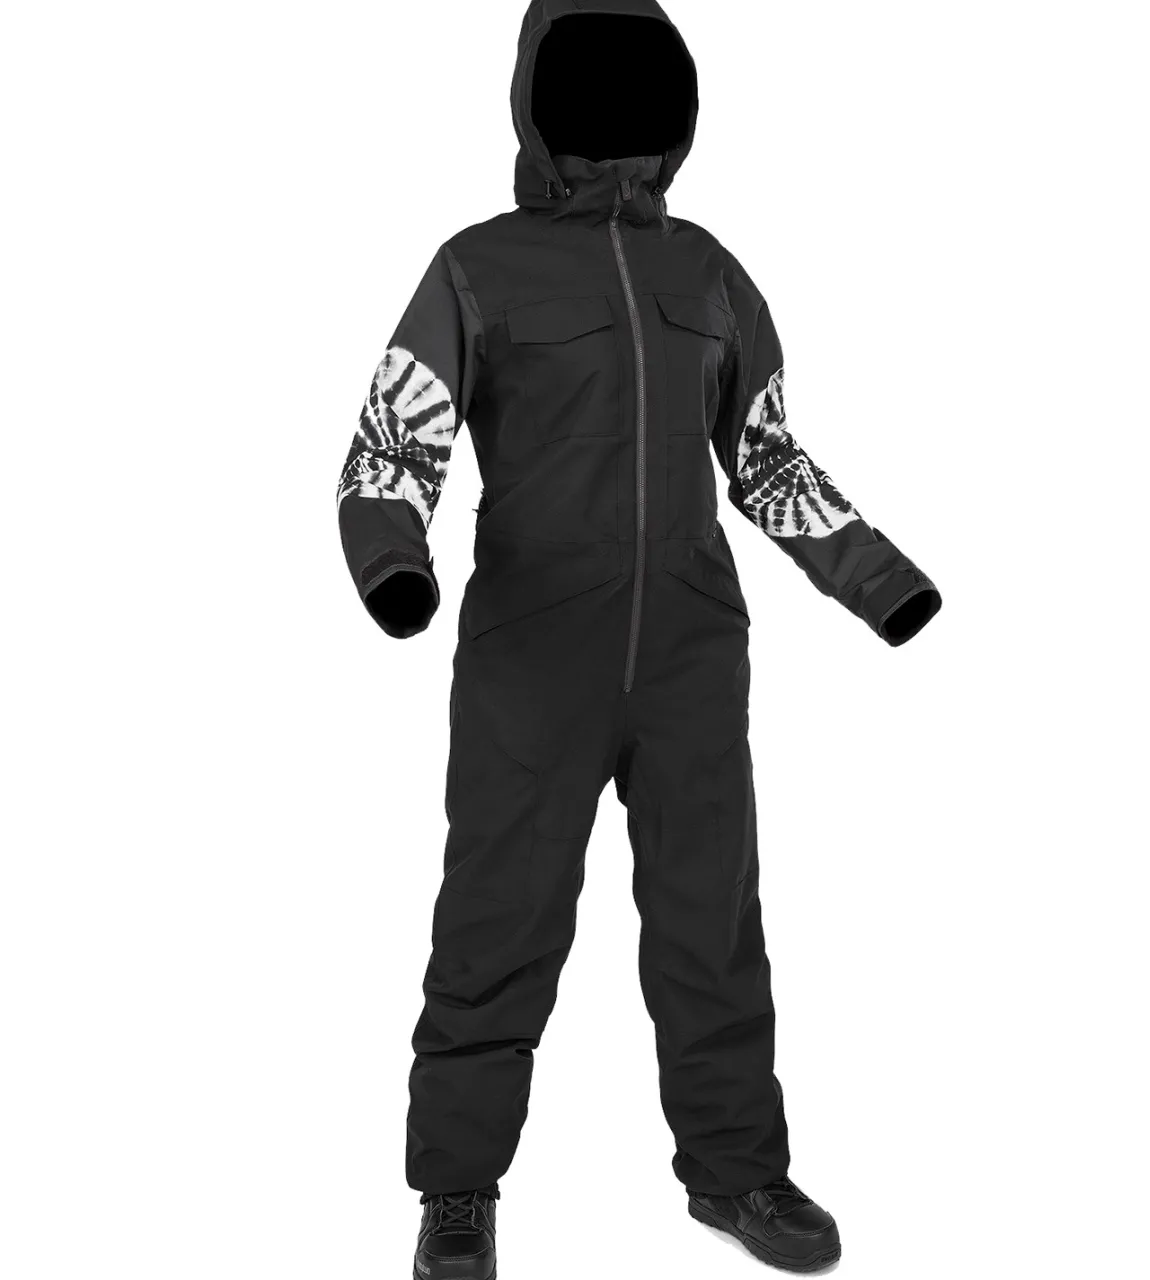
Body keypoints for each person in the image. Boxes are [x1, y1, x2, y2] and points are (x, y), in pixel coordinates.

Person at [336, 1, 941, 1273]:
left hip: (688, 653)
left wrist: (877, 580)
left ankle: (736, 1172)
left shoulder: (708, 272)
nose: (616, 107)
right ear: (537, 100)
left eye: (641, 82)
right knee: (497, 921)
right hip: (530, 657)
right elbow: (390, 449)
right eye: (589, 80)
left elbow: (765, 454)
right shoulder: (475, 266)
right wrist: (394, 566)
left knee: (709, 922)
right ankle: (457, 1186)